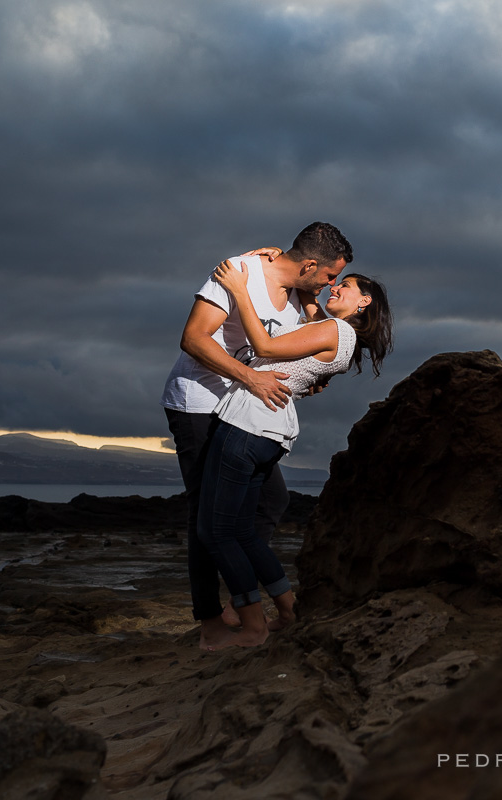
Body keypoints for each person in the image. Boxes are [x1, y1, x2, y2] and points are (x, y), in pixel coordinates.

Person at [160, 222, 352, 649]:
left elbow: (303, 349)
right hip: (199, 406)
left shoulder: (301, 295)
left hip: (243, 415)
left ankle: (241, 591)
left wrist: (310, 377)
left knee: (272, 502)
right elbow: (193, 338)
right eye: (328, 275)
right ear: (309, 264)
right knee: (204, 520)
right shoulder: (241, 271)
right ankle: (211, 623)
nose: (330, 284)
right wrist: (252, 379)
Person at [196, 261, 393, 648]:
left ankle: (252, 628)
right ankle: (288, 612)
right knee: (244, 533)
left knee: (215, 532)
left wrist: (239, 289)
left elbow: (265, 346)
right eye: (333, 281)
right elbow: (310, 300)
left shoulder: (334, 330)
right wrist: (294, 268)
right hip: (269, 431)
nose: (335, 287)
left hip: (247, 424)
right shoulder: (336, 331)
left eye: (346, 285)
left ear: (364, 302)